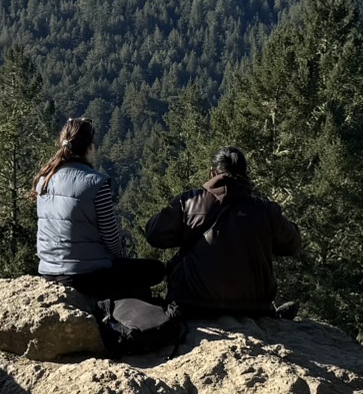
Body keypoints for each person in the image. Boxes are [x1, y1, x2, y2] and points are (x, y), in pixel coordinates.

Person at [145, 146, 301, 319]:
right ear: (245, 173)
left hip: (195, 304)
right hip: (255, 307)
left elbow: (154, 234)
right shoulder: (265, 210)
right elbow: (293, 244)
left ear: (212, 173)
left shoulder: (189, 203)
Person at [35, 118, 166, 300]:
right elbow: (111, 238)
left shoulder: (43, 180)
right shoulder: (96, 183)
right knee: (156, 270)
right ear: (90, 148)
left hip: (48, 270)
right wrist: (120, 259)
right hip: (85, 275)